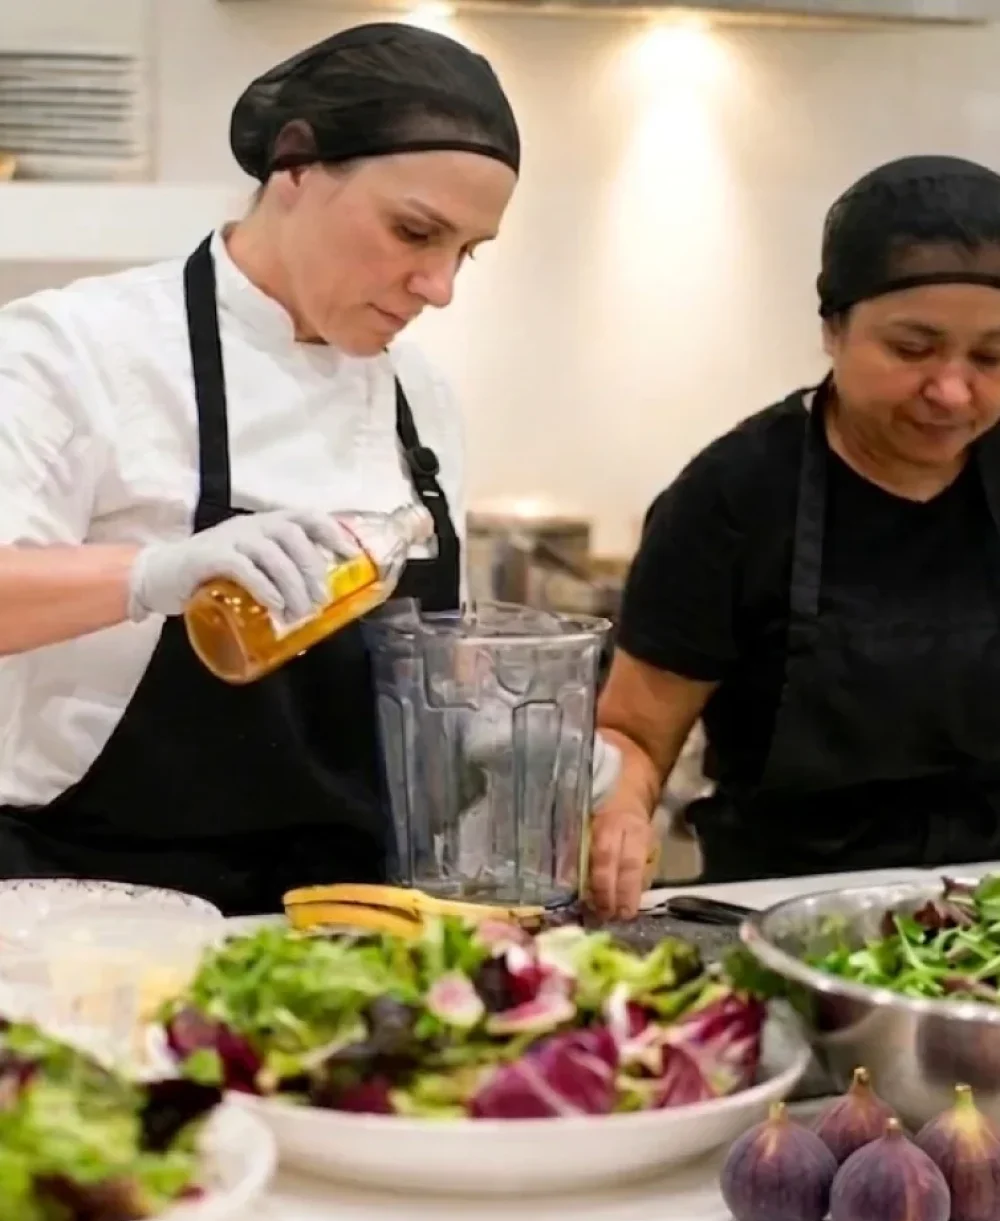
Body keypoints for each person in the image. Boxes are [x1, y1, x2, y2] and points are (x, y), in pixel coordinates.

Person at [0, 23, 521, 915]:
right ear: (295, 167)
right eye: (414, 231)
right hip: (89, 913)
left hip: (345, 918)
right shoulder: (75, 349)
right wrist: (152, 575)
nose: (439, 287)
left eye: (464, 251)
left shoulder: (420, 400)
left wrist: (510, 735)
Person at [590, 155, 1000, 918]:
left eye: (992, 357)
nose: (951, 390)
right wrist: (616, 810)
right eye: (912, 349)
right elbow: (635, 735)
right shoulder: (733, 498)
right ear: (833, 329)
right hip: (782, 912)